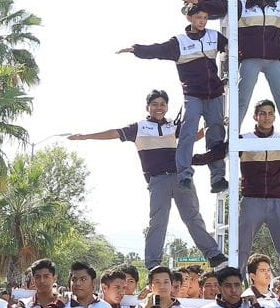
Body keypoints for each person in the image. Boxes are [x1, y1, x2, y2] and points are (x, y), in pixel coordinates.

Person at [67, 90, 225, 267]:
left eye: (162, 104)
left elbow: (193, 136)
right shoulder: (139, 127)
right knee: (158, 222)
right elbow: (114, 133)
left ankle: (213, 254)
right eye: (155, 104)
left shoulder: (173, 125)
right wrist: (85, 136)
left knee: (193, 217)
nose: (159, 108)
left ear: (167, 107)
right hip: (158, 181)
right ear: (147, 107)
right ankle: (153, 263)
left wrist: (216, 124)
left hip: (180, 176)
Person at [121, 2, 228, 193]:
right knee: (187, 132)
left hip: (215, 94)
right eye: (198, 18)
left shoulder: (214, 36)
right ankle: (184, 174)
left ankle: (218, 178)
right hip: (193, 95)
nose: (202, 21)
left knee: (216, 135)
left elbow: (233, 47)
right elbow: (158, 50)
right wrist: (136, 49)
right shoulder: (179, 42)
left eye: (205, 18)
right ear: (189, 18)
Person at [187, 0, 280, 134]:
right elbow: (221, 5)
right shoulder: (242, 5)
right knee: (242, 100)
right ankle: (232, 137)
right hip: (250, 60)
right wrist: (200, 2)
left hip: (273, 60)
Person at [199, 101, 280, 264]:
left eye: (270, 113)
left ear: (275, 116)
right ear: (255, 116)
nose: (267, 117)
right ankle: (237, 278)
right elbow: (218, 152)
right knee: (241, 248)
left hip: (277, 202)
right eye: (263, 113)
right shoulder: (244, 139)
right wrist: (190, 160)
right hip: (251, 201)